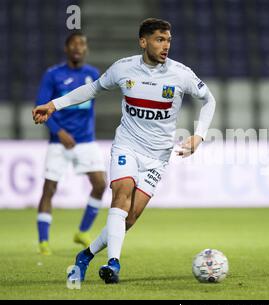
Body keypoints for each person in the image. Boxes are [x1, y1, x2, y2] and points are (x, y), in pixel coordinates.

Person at [33, 18, 216, 284]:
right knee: (121, 194)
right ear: (143, 42)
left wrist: (199, 135)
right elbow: (92, 89)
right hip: (127, 146)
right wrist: (54, 105)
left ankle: (85, 255)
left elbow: (209, 99)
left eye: (168, 40)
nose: (166, 46)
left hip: (158, 157)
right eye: (159, 40)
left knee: (129, 218)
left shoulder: (181, 74)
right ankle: (113, 263)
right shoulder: (123, 69)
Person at [35, 31, 106, 256]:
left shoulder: (93, 74)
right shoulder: (53, 75)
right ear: (66, 49)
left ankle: (82, 231)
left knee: (100, 185)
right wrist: (59, 132)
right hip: (59, 142)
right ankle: (43, 241)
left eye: (82, 44)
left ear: (86, 49)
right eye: (74, 44)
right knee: (49, 189)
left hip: (86, 141)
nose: (78, 48)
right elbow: (40, 106)